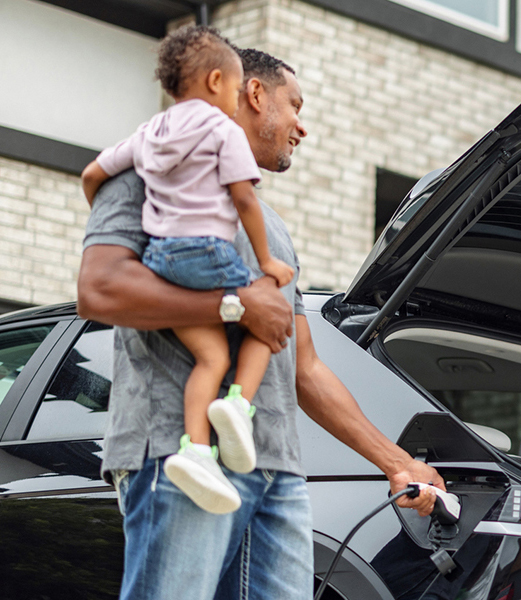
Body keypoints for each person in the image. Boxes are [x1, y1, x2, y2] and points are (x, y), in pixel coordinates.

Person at [77, 44, 444, 600]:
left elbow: (306, 368)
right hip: (176, 455)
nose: (303, 126)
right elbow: (99, 288)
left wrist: (398, 463)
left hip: (277, 472)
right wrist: (235, 304)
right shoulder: (150, 171)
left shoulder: (270, 225)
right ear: (254, 94)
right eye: (295, 105)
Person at [81, 26, 294, 515]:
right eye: (237, 89)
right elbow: (244, 197)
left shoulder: (148, 132)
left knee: (210, 356)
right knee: (267, 314)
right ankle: (238, 405)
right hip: (208, 255)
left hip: (162, 264)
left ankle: (195, 451)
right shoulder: (222, 130)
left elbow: (94, 175)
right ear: (217, 81)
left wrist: (110, 210)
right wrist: (266, 262)